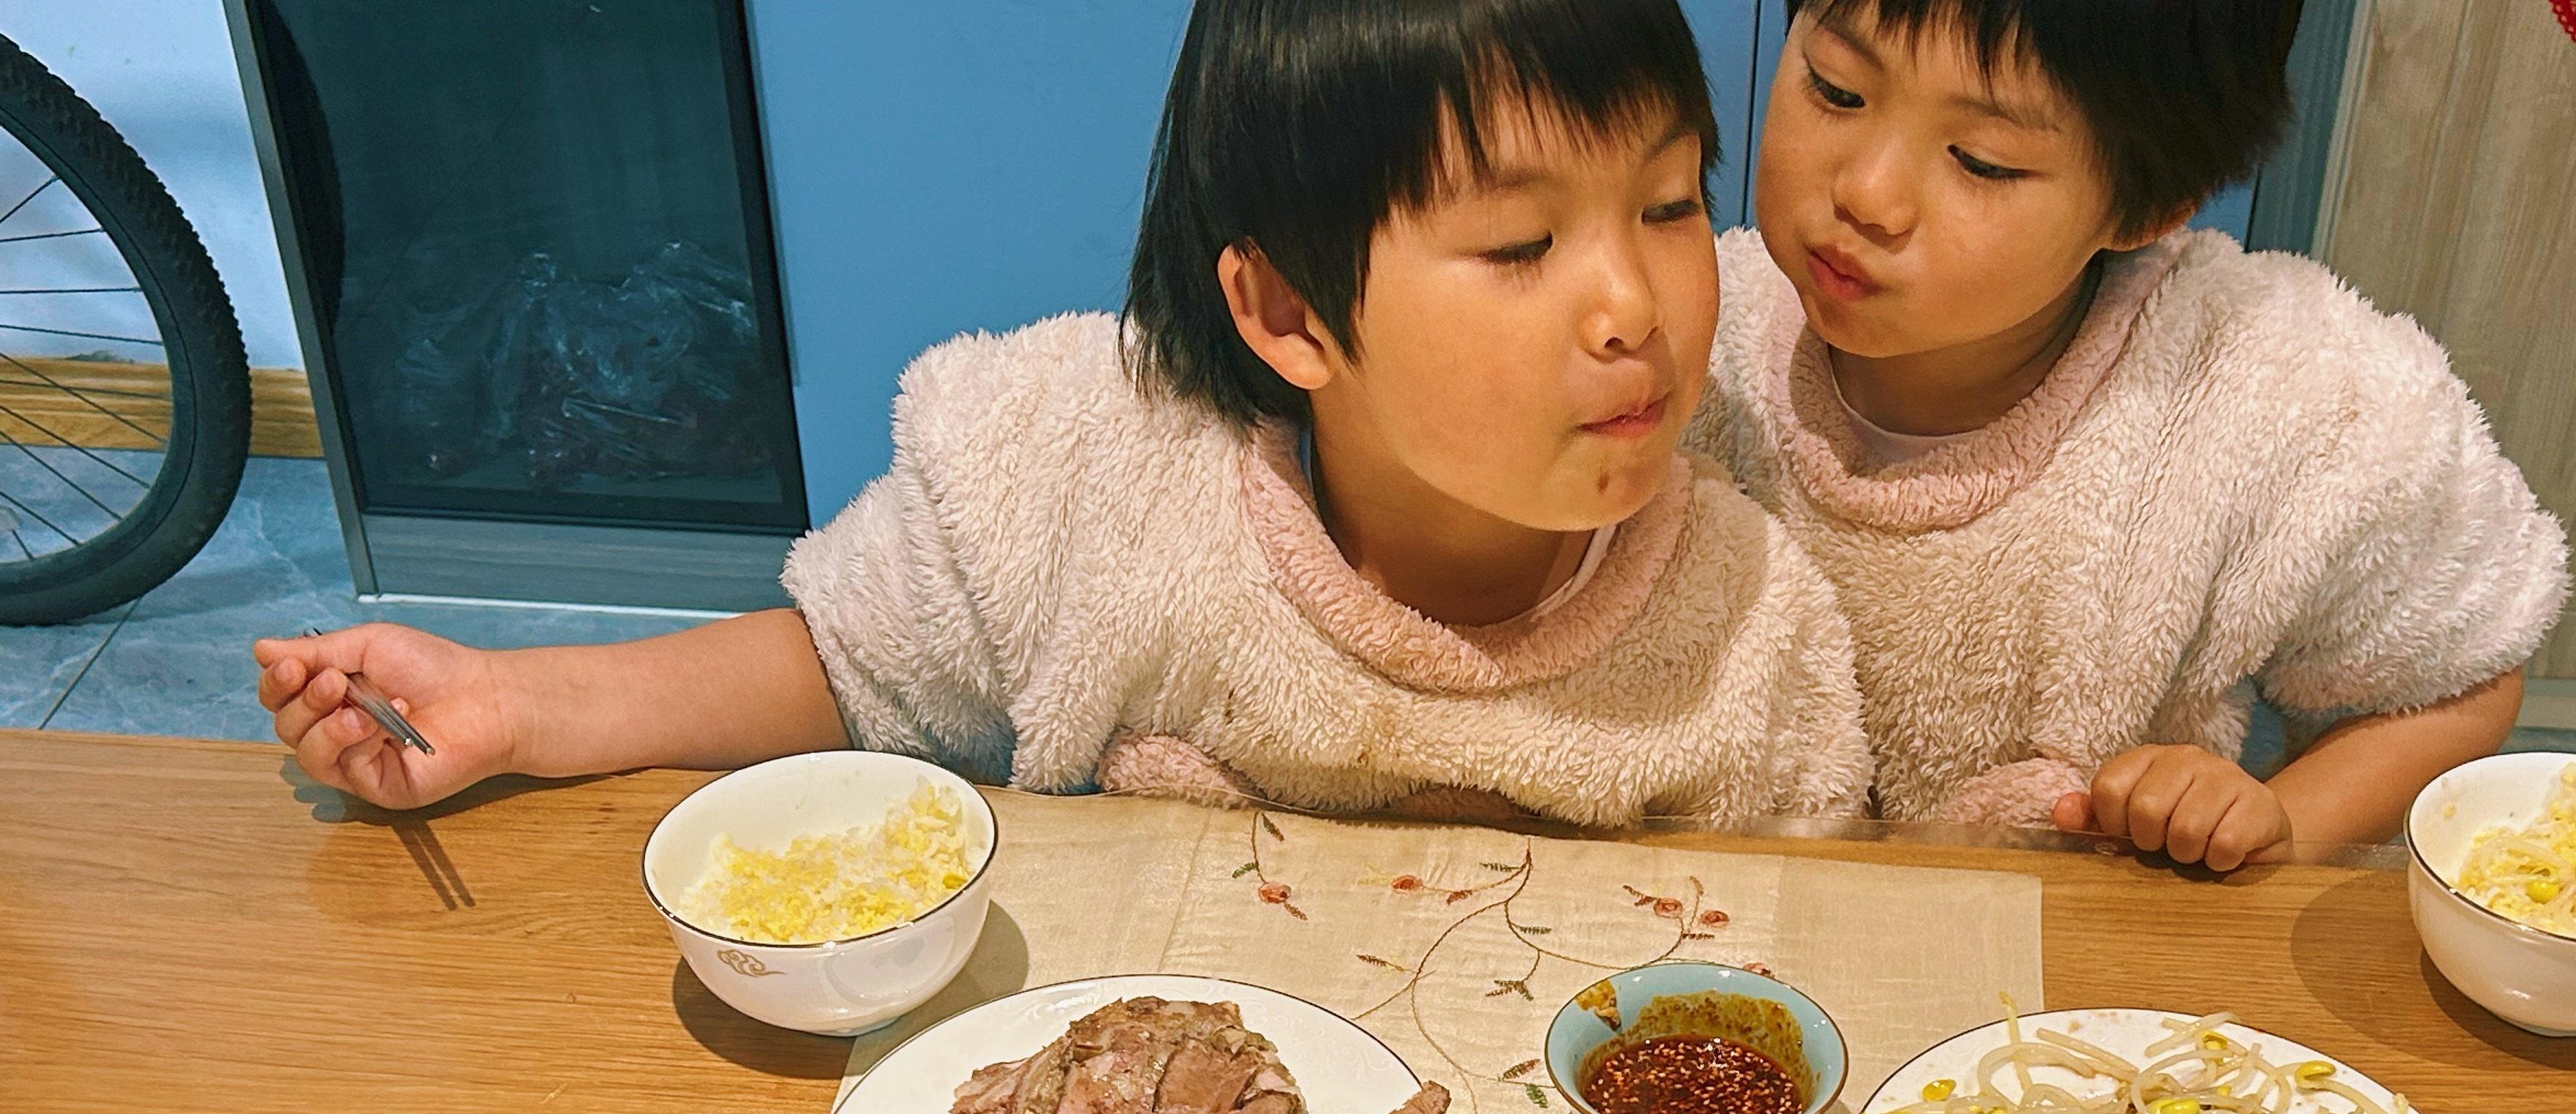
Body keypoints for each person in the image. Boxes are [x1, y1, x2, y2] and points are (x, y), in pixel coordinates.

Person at [255, 0, 1869, 829]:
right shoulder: (1093, 477)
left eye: (1669, 205)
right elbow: (850, 663)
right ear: (1288, 314)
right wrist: (514, 706)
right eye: (1520, 245)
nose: (1636, 307)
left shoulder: (1742, 620)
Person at [1688, 0, 2568, 869]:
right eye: (1837, 91)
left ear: (2147, 209)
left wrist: (2275, 821)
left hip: (2092, 982)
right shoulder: (1686, 338)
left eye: (1982, 161)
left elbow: (2458, 689)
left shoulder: (2286, 399)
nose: (1866, 195)